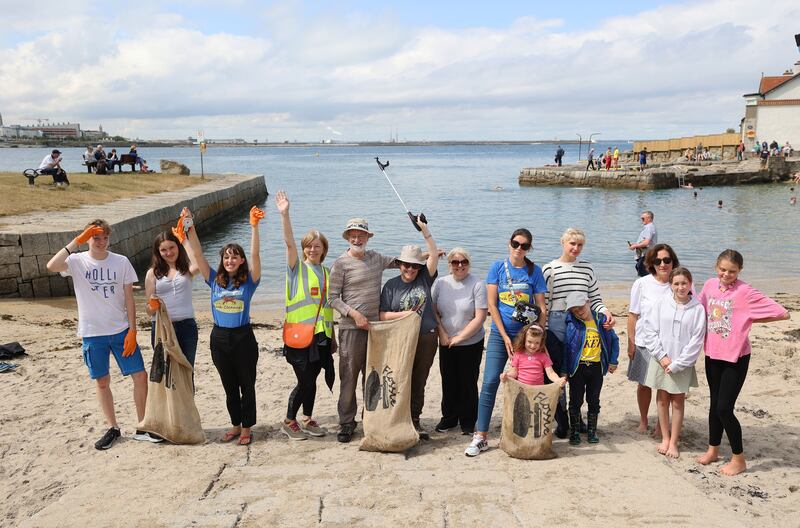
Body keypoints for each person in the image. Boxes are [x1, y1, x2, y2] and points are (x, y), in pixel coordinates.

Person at [46, 219, 151, 449]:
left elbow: (129, 298)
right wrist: (77, 241)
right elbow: (51, 266)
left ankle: (143, 425)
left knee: (140, 377)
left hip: (121, 330)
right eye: (96, 238)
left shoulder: (120, 261)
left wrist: (132, 330)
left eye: (105, 237)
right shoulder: (76, 261)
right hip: (93, 334)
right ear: (88, 239)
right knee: (102, 381)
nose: (102, 242)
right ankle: (113, 427)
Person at [696, 250, 789, 476]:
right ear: (716, 267)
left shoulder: (745, 291)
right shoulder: (709, 285)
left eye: (732, 271)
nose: (727, 274)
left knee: (725, 408)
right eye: (723, 269)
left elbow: (782, 313)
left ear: (740, 271)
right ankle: (713, 450)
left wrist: (749, 318)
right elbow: (698, 310)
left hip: (736, 358)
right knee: (713, 405)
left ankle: (739, 459)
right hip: (713, 354)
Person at [179, 205, 264, 446]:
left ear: (241, 260)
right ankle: (235, 425)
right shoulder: (214, 279)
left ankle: (247, 428)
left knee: (246, 385)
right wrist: (190, 226)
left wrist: (254, 227)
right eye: (226, 256)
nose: (230, 260)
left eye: (234, 256)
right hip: (219, 339)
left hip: (243, 338)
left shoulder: (249, 281)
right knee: (229, 387)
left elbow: (256, 256)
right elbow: (197, 254)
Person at [465, 228, 547, 457]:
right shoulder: (497, 268)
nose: (519, 249)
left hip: (526, 338)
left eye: (524, 246)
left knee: (528, 383)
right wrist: (503, 336)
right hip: (501, 336)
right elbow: (492, 305)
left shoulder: (534, 271)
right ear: (509, 243)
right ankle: (481, 435)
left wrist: (537, 334)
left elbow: (541, 307)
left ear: (530, 248)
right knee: (491, 380)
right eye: (516, 243)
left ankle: (525, 431)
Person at [328, 218, 399, 443]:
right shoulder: (340, 263)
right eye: (353, 235)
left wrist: (429, 255)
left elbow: (403, 263)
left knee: (372, 377)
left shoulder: (376, 258)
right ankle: (347, 423)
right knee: (348, 378)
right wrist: (353, 314)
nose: (357, 239)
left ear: (368, 238)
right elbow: (332, 299)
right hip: (351, 330)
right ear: (348, 238)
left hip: (375, 329)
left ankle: (370, 418)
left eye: (361, 235)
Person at [543, 227, 615, 437]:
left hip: (582, 324)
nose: (575, 248)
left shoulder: (587, 269)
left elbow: (595, 298)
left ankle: (577, 418)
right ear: (563, 242)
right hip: (557, 321)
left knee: (576, 372)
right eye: (572, 243)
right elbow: (544, 304)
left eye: (580, 244)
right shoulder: (550, 269)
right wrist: (546, 330)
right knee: (559, 373)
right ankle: (562, 419)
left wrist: (605, 312)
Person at [276, 191, 335, 441]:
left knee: (314, 378)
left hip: (321, 336)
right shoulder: (296, 269)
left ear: (324, 250)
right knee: (305, 380)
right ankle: (289, 421)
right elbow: (289, 243)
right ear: (304, 249)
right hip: (300, 335)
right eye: (309, 245)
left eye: (317, 245)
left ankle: (307, 417)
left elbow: (328, 308)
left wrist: (333, 338)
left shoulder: (327, 272)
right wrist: (285, 214)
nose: (313, 249)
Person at [379, 218, 439, 438]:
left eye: (415, 265)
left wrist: (425, 230)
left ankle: (415, 419)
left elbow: (433, 254)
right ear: (399, 264)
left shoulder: (425, 279)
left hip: (425, 337)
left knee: (419, 379)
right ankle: (398, 418)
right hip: (400, 339)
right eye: (406, 264)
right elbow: (382, 315)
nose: (410, 269)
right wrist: (405, 314)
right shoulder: (391, 285)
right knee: (400, 378)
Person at [641, 267, 704, 458]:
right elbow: (649, 331)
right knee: (662, 399)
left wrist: (678, 363)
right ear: (671, 285)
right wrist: (662, 357)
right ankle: (665, 438)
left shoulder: (698, 309)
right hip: (662, 360)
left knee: (677, 402)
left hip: (682, 363)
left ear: (690, 284)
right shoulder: (661, 304)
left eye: (684, 283)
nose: (680, 287)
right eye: (676, 283)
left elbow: (696, 340)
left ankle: (674, 442)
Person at [432, 248, 487, 435]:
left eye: (463, 262)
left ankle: (468, 421)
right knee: (448, 381)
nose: (460, 265)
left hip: (471, 341)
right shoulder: (440, 284)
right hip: (446, 340)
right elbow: (434, 312)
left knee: (468, 382)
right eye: (455, 262)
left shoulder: (477, 284)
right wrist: (443, 334)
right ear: (449, 265)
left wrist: (460, 337)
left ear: (469, 263)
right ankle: (449, 419)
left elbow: (479, 318)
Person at [627, 244, 679, 435]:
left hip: (669, 343)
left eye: (667, 260)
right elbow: (633, 315)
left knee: (664, 386)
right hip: (643, 342)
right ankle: (643, 420)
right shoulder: (642, 284)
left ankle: (660, 424)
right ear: (651, 263)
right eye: (658, 261)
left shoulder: (679, 283)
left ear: (673, 261)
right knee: (644, 384)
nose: (663, 264)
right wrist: (630, 343)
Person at [562, 291, 619, 444]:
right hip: (577, 369)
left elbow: (614, 340)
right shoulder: (571, 324)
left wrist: (613, 361)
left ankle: (592, 431)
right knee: (575, 400)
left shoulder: (601, 321)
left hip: (596, 368)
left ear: (588, 302)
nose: (579, 312)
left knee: (593, 400)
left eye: (581, 307)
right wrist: (564, 371)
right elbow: (566, 349)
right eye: (574, 310)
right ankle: (574, 432)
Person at [144, 231, 199, 367]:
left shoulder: (186, 269)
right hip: (162, 328)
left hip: (186, 326)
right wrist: (153, 305)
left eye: (172, 247)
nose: (168, 252)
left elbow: (198, 265)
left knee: (187, 369)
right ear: (158, 252)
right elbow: (149, 311)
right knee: (166, 372)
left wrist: (184, 240)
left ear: (178, 247)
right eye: (163, 250)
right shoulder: (153, 273)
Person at [500, 323, 565, 388]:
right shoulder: (518, 354)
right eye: (529, 342)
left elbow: (550, 373)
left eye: (537, 343)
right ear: (524, 340)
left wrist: (558, 380)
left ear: (541, 342)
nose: (533, 346)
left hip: (538, 391)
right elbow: (514, 372)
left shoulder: (543, 356)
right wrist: (507, 376)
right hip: (521, 390)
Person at [629, 210, 657, 277]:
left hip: (647, 254)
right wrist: (636, 245)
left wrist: (635, 245)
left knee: (643, 272)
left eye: (643, 218)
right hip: (646, 253)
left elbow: (646, 242)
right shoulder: (650, 227)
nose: (642, 220)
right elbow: (644, 241)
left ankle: (647, 286)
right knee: (639, 267)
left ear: (649, 218)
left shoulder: (649, 227)